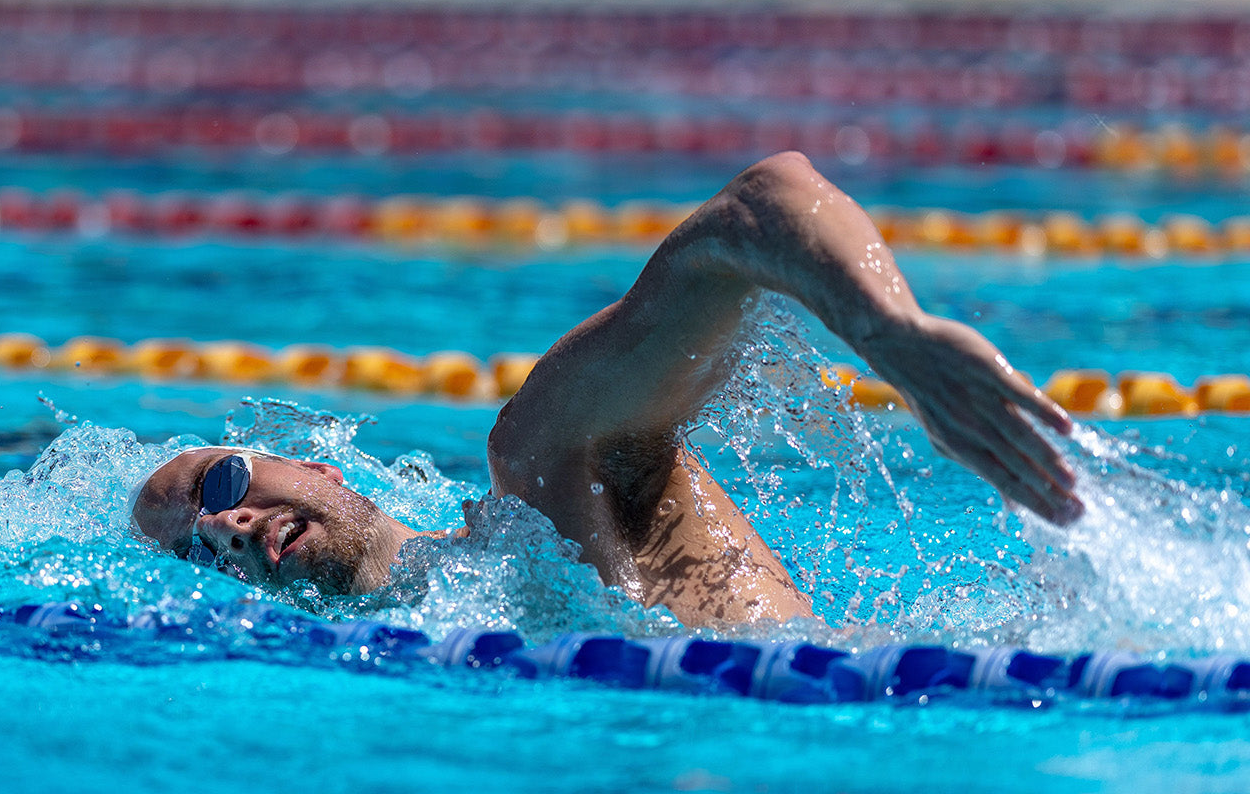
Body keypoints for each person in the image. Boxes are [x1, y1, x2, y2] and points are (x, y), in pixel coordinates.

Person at [130, 152, 1084, 628]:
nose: (225, 529)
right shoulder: (452, 636)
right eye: (200, 559)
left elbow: (762, 206)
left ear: (317, 467)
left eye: (221, 485)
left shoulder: (545, 473)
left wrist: (893, 335)